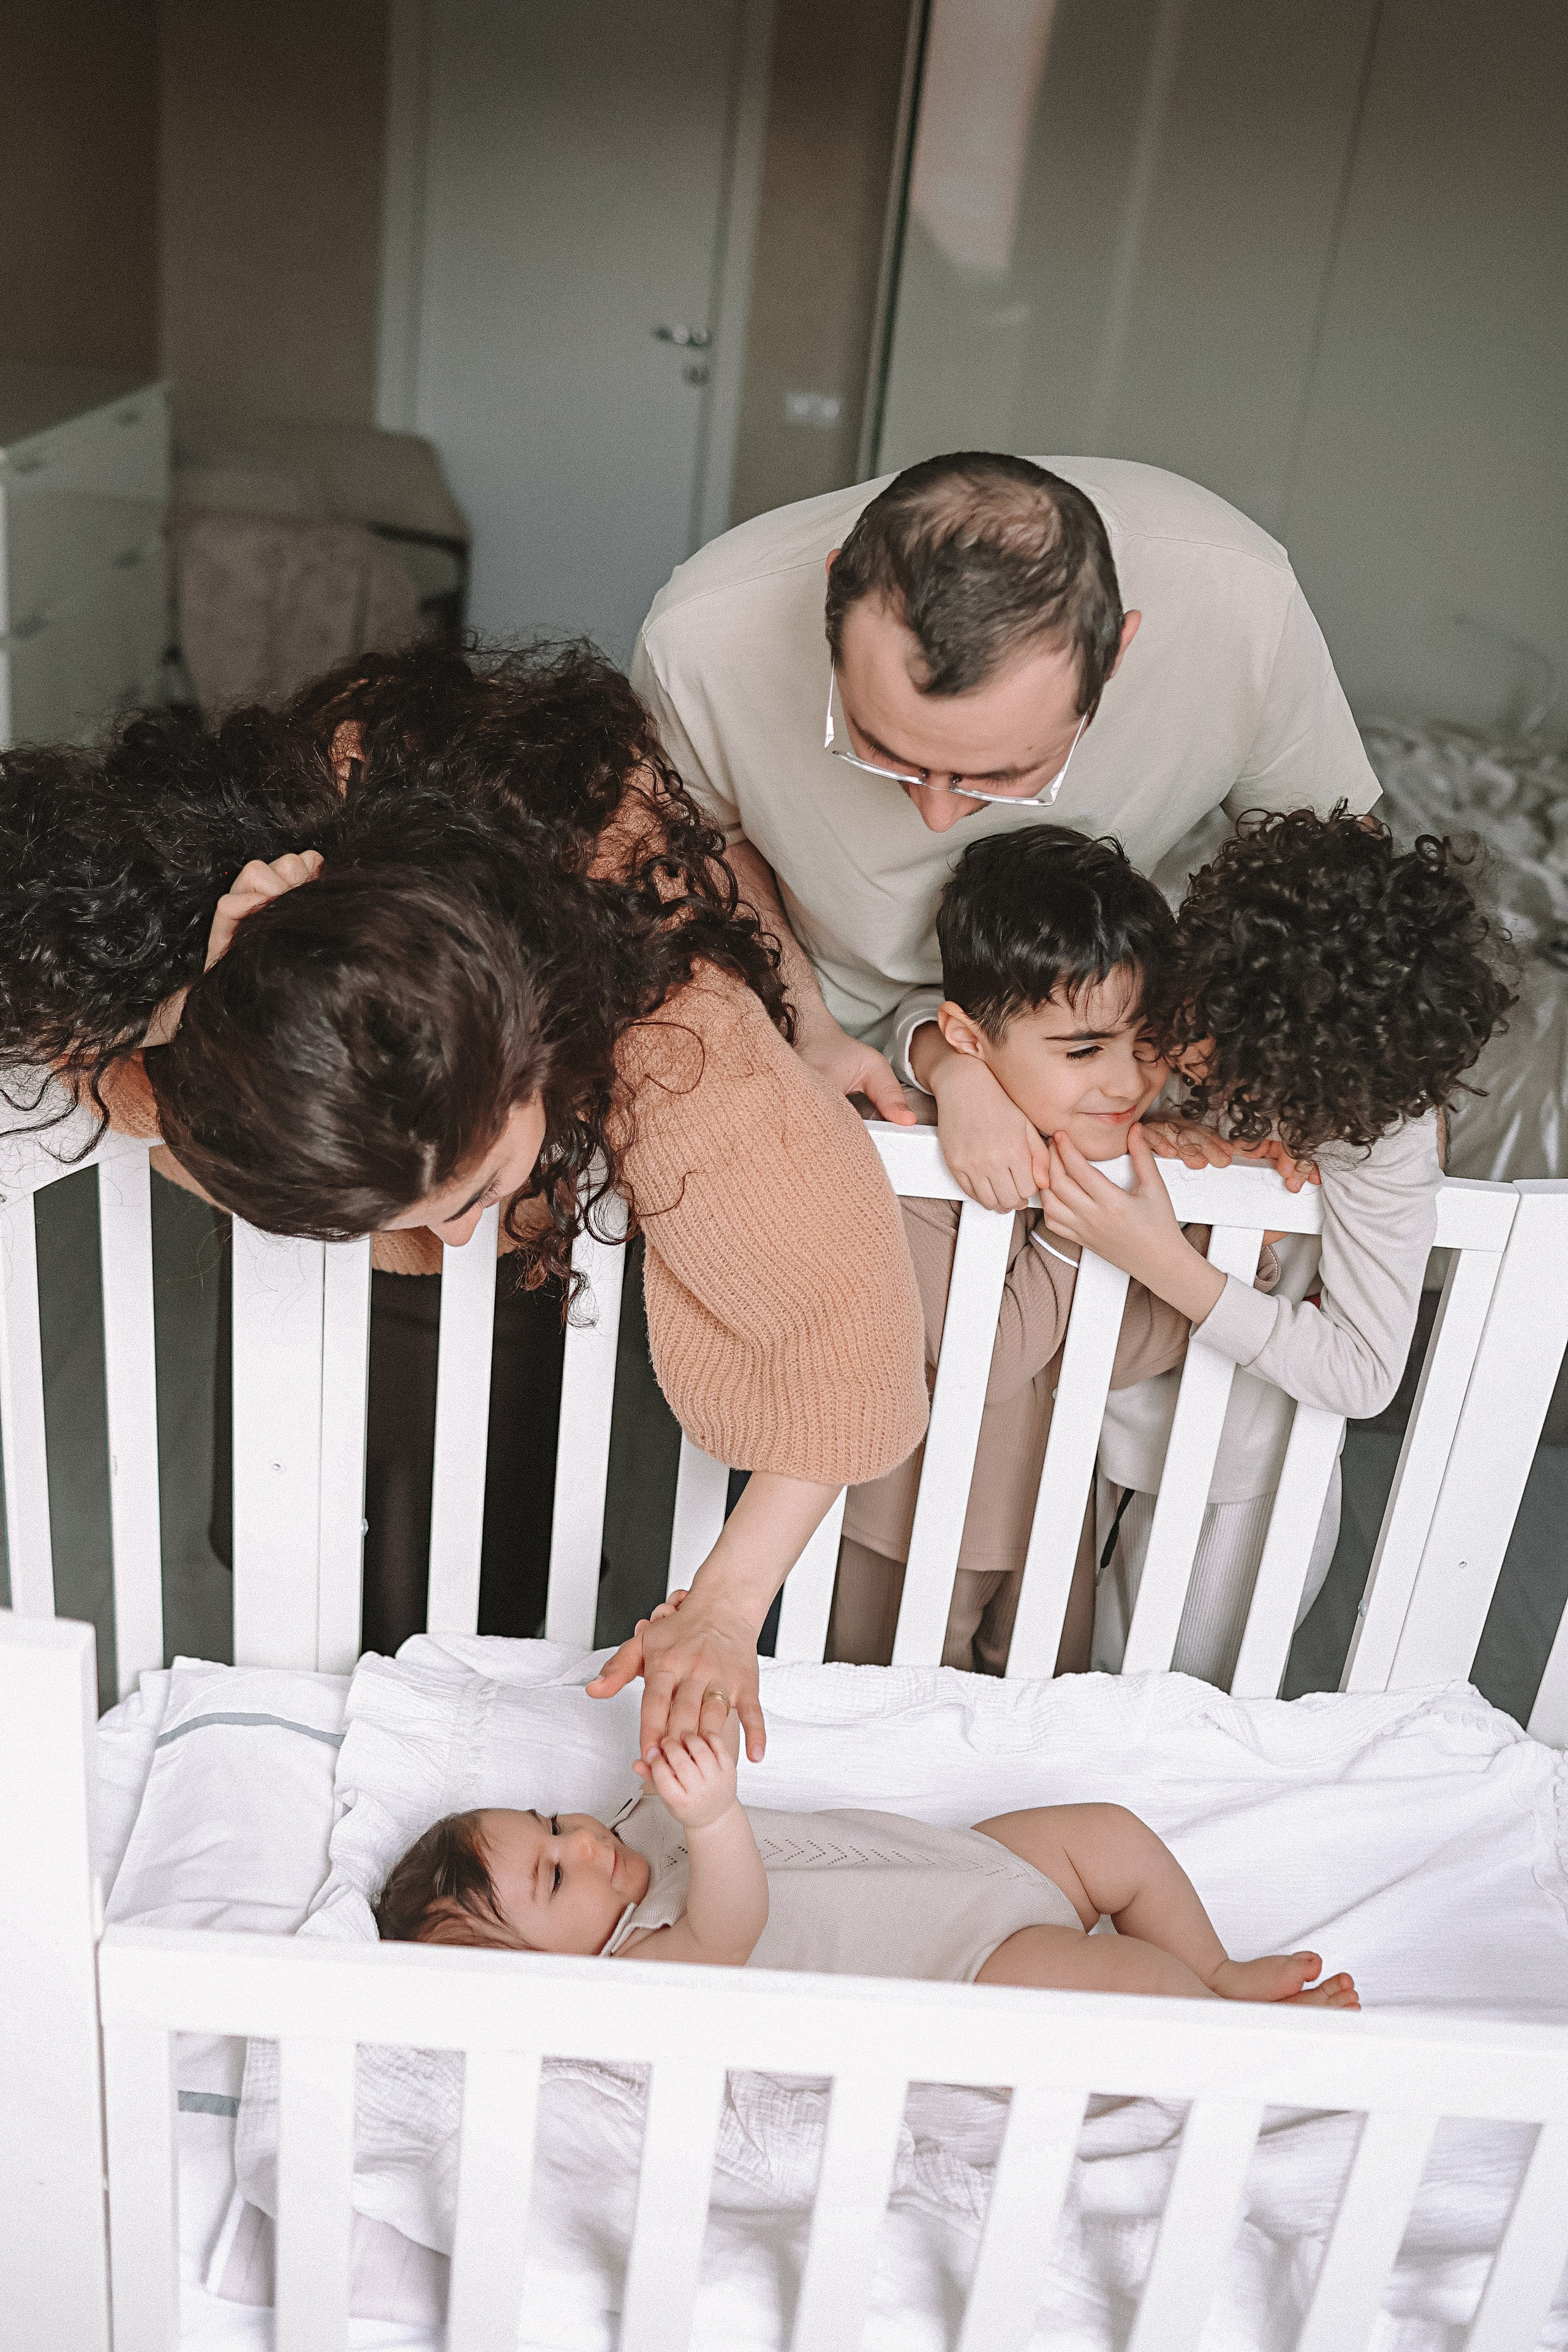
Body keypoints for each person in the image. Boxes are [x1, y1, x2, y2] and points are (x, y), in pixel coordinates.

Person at [0, 646, 928, 1760]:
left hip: (540, 886)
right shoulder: (230, 895)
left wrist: (725, 1607)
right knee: (317, 1500)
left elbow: (844, 1327)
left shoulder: (674, 1037)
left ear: (539, 1046)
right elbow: (79, 1073)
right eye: (400, 1215)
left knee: (495, 1519)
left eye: (472, 1189)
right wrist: (197, 1008)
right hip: (331, 922)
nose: (453, 1235)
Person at [631, 450, 1379, 1215]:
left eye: (1001, 777)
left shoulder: (1240, 605)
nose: (936, 816)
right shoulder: (701, 638)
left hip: (1095, 1016)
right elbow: (690, 848)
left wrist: (1276, 1091)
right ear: (832, 595)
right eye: (881, 752)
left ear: (1115, 655)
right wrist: (807, 1026)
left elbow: (1336, 883)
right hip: (821, 1029)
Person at [1025, 810, 1514, 1684]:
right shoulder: (1177, 982)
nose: (1187, 1051)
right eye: (1194, 1020)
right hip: (1083, 1416)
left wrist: (1165, 1263)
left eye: (1229, 1059)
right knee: (1032, 1679)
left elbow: (1365, 1373)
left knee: (1170, 1707)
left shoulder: (1381, 1135)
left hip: (1241, 1469)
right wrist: (1168, 1123)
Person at [831, 826, 1283, 1676]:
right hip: (908, 1514)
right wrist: (1077, 1239)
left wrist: (1221, 1242)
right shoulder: (916, 1154)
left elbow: (1120, 1357)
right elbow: (986, 1359)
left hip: (1055, 1516)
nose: (1127, 1082)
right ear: (967, 1038)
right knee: (884, 1727)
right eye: (1084, 1051)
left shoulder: (1118, 1154)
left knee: (1042, 1728)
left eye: (1148, 1046)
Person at [371, 1702, 1359, 2008]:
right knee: (1126, 1986)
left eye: (552, 1822)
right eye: (553, 1874)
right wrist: (712, 1817)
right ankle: (1238, 2035)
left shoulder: (625, 1835)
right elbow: (733, 1924)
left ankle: (1218, 1966)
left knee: (1108, 1832)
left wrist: (685, 1672)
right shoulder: (640, 1976)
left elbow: (680, 1751)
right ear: (540, 1976)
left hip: (967, 1865)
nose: (580, 1841)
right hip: (970, 1964)